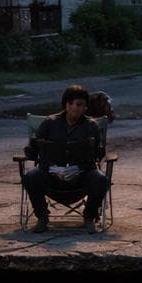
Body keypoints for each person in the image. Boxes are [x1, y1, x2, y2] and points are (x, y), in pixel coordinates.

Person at [23, 83, 110, 234]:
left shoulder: (91, 126)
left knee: (101, 179)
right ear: (65, 104)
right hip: (51, 176)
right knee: (31, 176)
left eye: (79, 104)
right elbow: (32, 151)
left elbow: (99, 155)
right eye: (71, 103)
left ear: (85, 107)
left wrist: (85, 165)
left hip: (81, 177)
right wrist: (32, 149)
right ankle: (42, 217)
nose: (74, 107)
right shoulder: (49, 123)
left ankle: (89, 216)